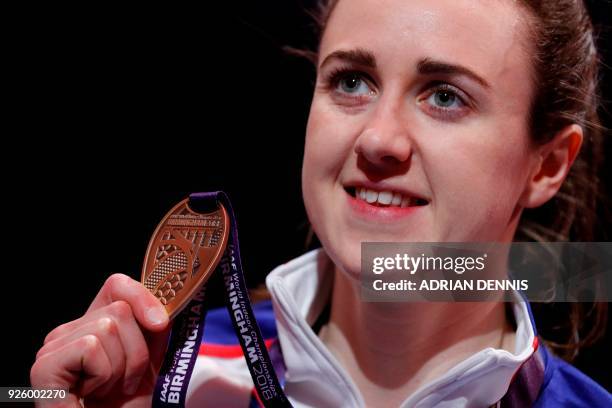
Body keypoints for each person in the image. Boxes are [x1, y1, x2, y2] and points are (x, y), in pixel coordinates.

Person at [31, 0, 611, 406]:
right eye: (352, 81)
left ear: (549, 164)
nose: (379, 139)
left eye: (444, 96)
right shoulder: (162, 374)